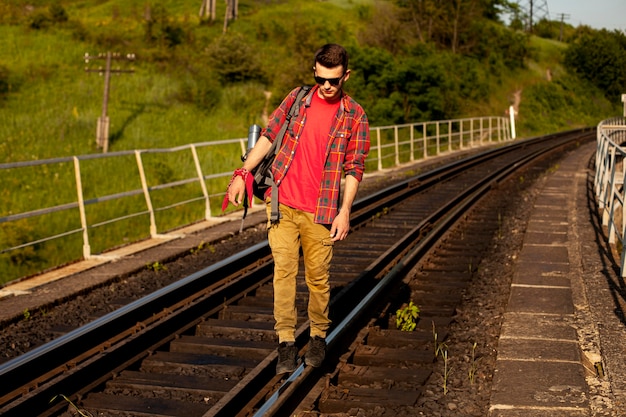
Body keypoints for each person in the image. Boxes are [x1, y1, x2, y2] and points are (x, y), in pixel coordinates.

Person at [225, 43, 370, 374]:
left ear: (346, 75)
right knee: (283, 275)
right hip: (283, 205)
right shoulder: (297, 99)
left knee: (318, 279)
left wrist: (345, 211)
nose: (328, 87)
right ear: (314, 73)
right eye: (322, 80)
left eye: (334, 80)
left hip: (322, 210)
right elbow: (268, 136)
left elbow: (354, 168)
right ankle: (286, 343)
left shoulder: (355, 115)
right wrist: (241, 174)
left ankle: (318, 336)